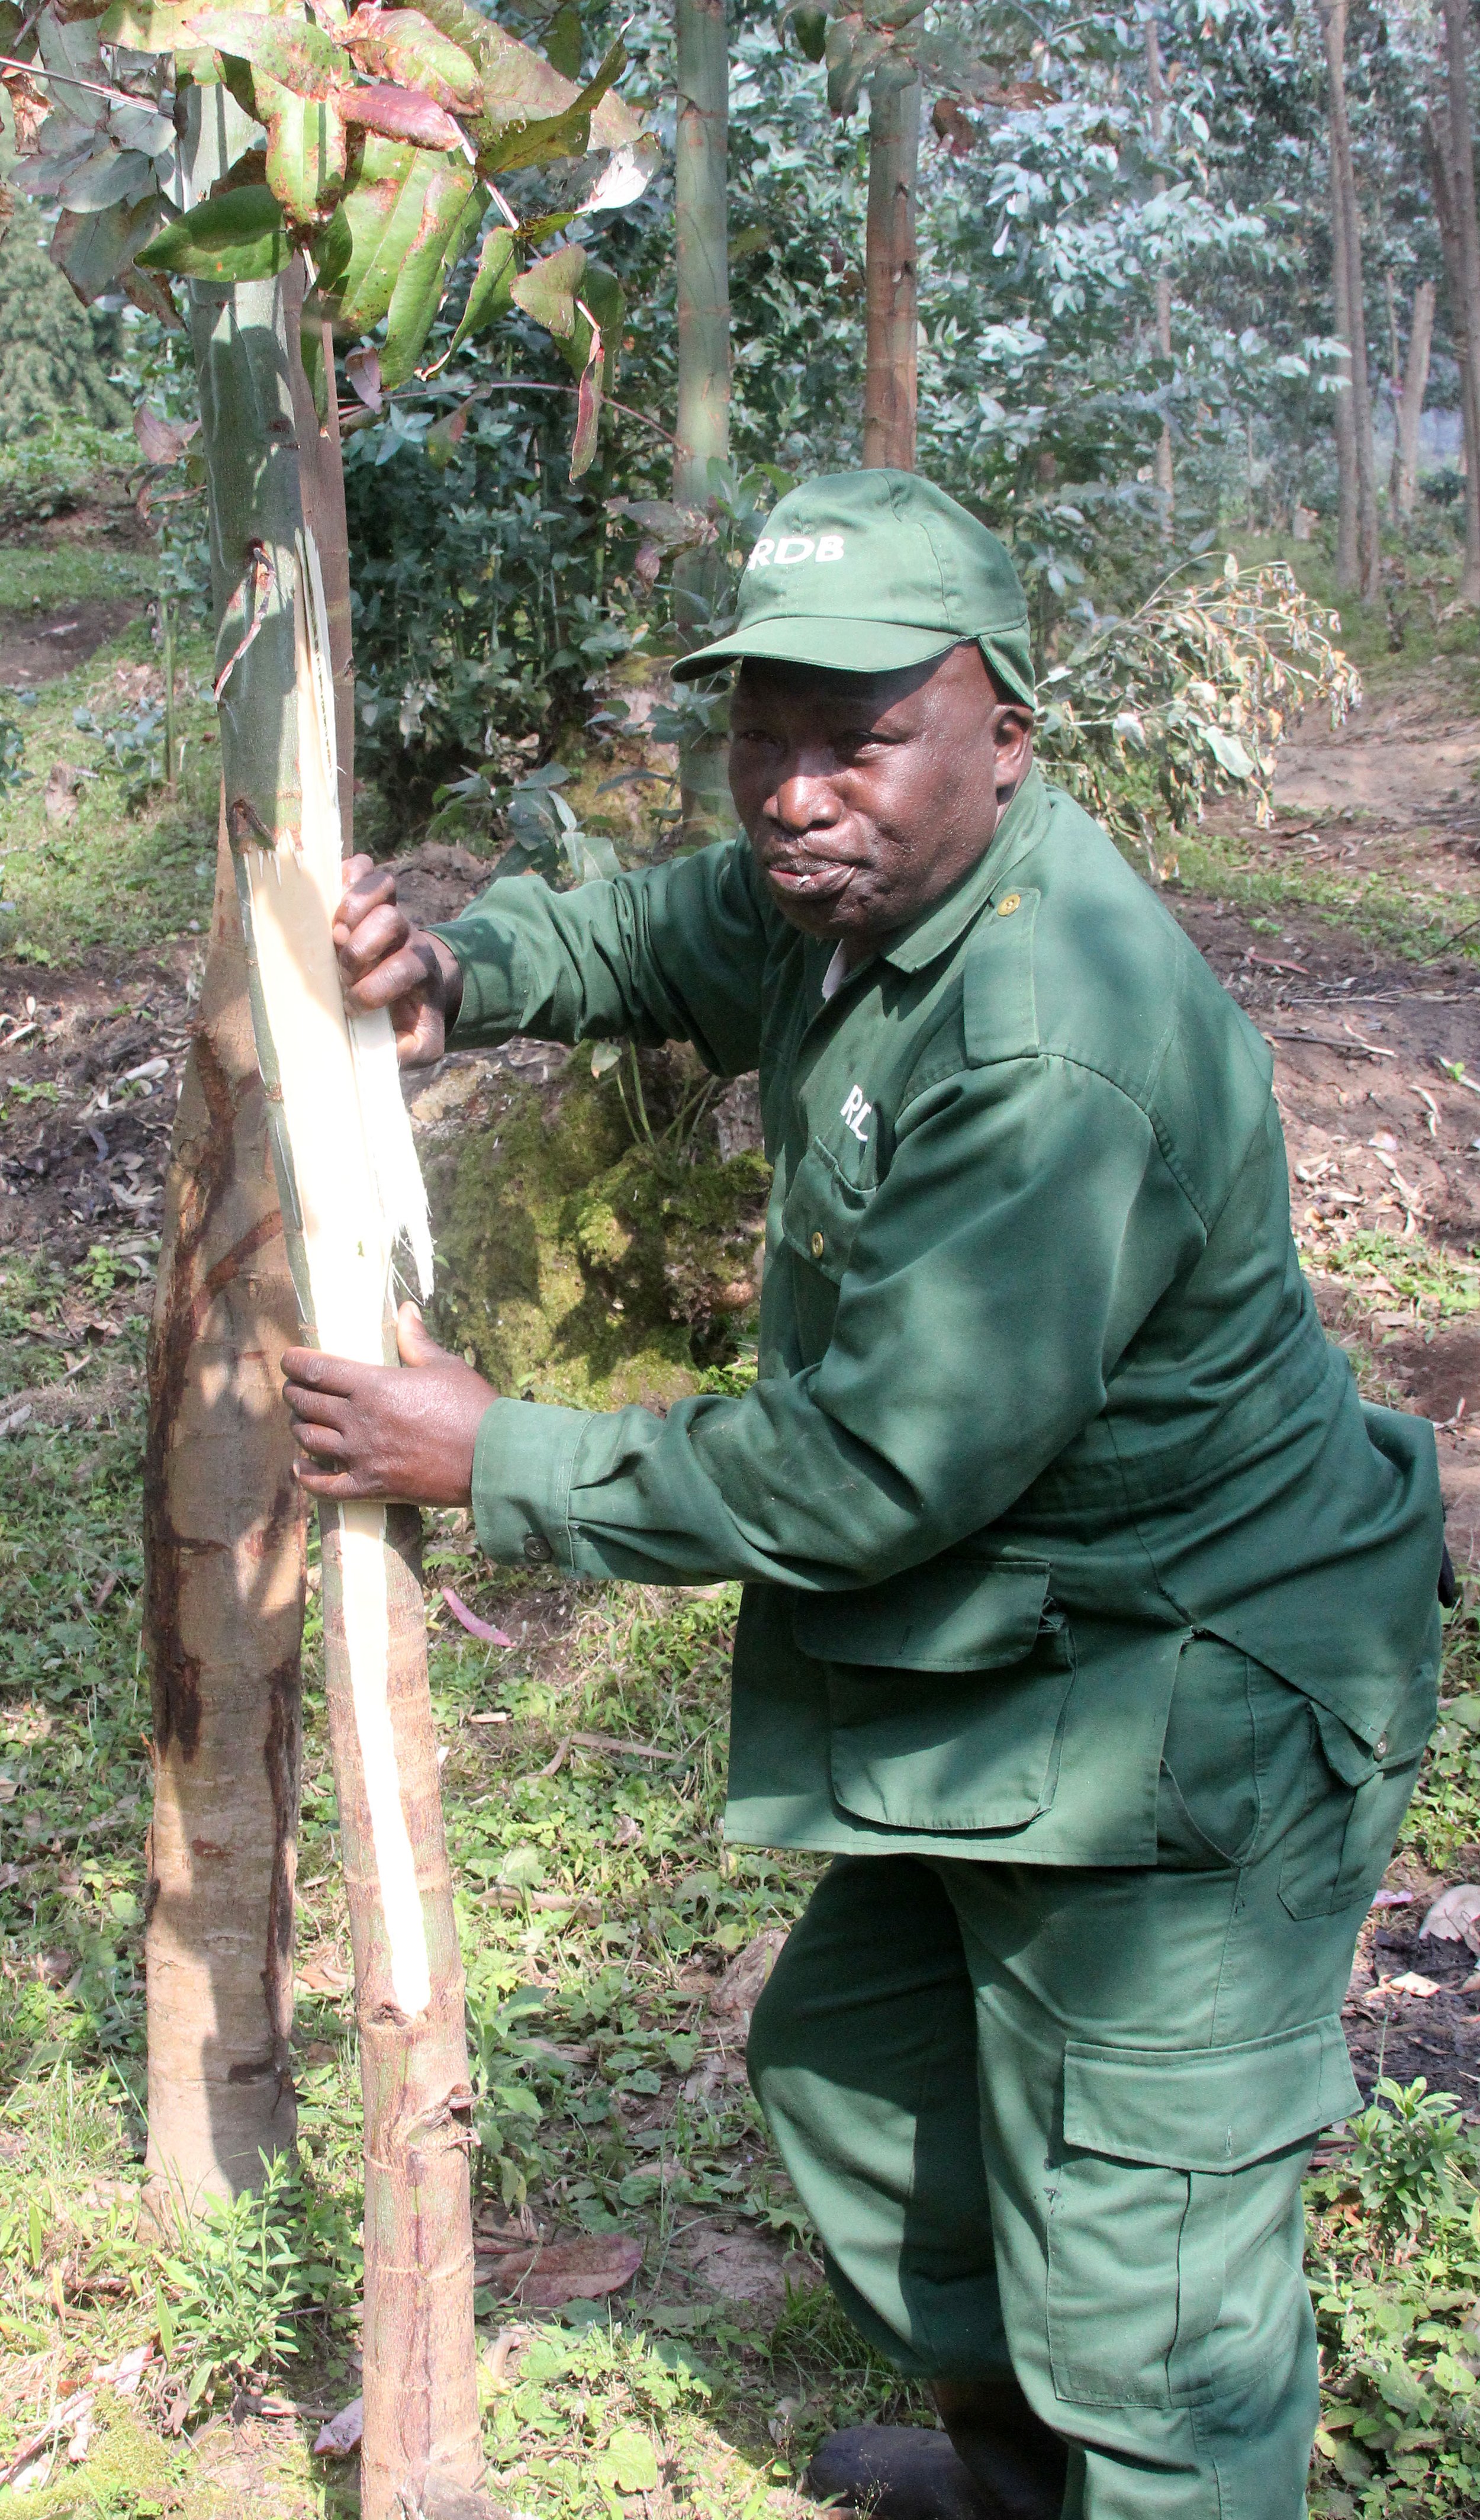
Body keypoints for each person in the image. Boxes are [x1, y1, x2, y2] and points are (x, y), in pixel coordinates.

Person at [282, 470, 1446, 2520]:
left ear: (1001, 737)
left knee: (1152, 2288)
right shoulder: (852, 896)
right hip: (1035, 1663)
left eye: (863, 735)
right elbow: (663, 929)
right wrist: (459, 967)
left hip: (1199, 1698)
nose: (798, 792)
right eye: (763, 738)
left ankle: (1141, 2475)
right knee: (868, 2075)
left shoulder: (1047, 1037)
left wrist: (502, 1457)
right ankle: (1024, 2484)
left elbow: (872, 1469)